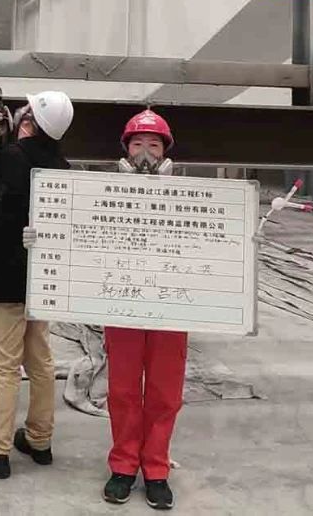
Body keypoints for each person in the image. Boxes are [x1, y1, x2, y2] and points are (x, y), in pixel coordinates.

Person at [0, 91, 75, 479]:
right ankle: (40, 441)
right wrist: (6, 138)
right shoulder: (61, 165)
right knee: (40, 362)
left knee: (5, 367)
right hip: (42, 280)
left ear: (29, 119)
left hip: (6, 278)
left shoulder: (13, 156)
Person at [102, 109, 185, 509]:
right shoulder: (103, 197)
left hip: (171, 306)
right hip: (123, 303)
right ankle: (123, 465)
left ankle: (156, 469)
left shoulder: (188, 198)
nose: (146, 154)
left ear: (166, 154)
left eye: (154, 145)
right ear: (126, 151)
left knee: (165, 392)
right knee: (122, 390)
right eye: (138, 144)